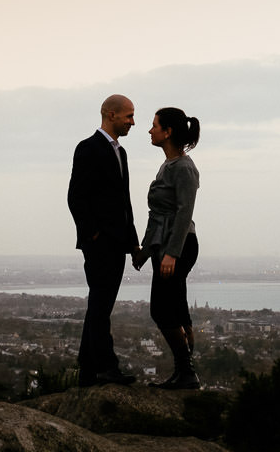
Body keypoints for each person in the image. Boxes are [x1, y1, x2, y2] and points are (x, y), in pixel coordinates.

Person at [67, 94, 141, 386]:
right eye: (128, 116)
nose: (133, 122)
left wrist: (132, 243)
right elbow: (76, 197)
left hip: (117, 243)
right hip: (100, 243)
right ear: (111, 115)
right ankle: (105, 366)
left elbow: (125, 202)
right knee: (100, 304)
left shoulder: (120, 153)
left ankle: (88, 369)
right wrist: (92, 235)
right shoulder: (88, 148)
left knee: (100, 304)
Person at [139, 107, 201, 389]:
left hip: (178, 244)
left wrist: (171, 253)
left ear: (168, 132)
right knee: (172, 305)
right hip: (164, 244)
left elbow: (184, 213)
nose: (150, 130)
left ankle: (186, 372)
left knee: (161, 310)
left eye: (154, 126)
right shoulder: (168, 165)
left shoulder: (185, 168)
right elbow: (160, 215)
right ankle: (182, 372)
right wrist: (146, 249)